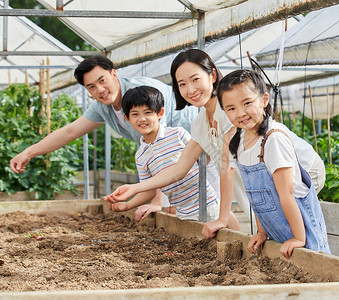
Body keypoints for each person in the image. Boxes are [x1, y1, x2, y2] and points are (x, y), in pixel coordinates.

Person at [9, 56, 197, 209]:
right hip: (178, 169)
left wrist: (157, 202)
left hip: (197, 144)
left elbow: (162, 148)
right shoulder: (102, 107)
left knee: (205, 205)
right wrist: (28, 152)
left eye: (102, 80)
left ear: (113, 74)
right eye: (91, 87)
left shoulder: (142, 94)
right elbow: (70, 131)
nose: (100, 90)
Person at [104, 49, 245, 232]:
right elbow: (179, 169)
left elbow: (226, 168)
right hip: (243, 195)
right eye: (182, 84)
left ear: (212, 75)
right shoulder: (200, 122)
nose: (190, 89)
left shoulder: (228, 111)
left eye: (195, 79)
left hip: (261, 188)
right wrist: (134, 188)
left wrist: (222, 217)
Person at [216, 69, 330, 258]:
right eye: (231, 108)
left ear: (264, 100)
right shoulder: (240, 140)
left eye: (247, 103)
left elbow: (287, 194)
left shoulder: (273, 139)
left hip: (303, 233)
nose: (241, 113)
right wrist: (262, 232)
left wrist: (299, 238)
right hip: (279, 235)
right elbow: (258, 199)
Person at [104, 86, 219, 221]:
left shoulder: (177, 134)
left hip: (206, 204)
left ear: (160, 113)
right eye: (135, 114)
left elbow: (204, 161)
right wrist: (127, 205)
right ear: (126, 118)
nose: (142, 119)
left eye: (147, 112)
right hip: (182, 212)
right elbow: (149, 191)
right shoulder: (141, 155)